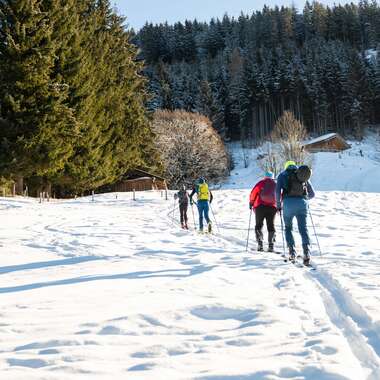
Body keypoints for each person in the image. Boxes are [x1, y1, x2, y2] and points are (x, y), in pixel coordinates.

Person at [276, 160, 315, 265]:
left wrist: (278, 205)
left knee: (288, 227)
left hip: (288, 204)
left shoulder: (282, 175)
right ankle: (306, 252)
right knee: (303, 228)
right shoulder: (301, 175)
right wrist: (304, 199)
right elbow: (312, 194)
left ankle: (292, 252)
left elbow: (277, 191)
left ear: (286, 166)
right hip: (302, 204)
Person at [249, 171, 277, 252]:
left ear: (265, 176)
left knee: (259, 225)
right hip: (272, 208)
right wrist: (279, 206)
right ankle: (271, 245)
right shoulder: (275, 184)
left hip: (260, 207)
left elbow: (253, 193)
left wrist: (251, 202)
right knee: (271, 225)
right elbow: (280, 195)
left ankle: (260, 244)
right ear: (272, 177)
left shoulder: (260, 183)